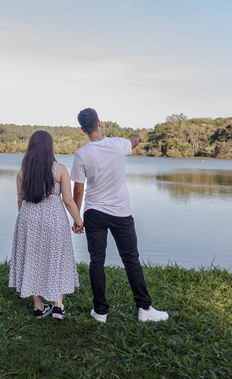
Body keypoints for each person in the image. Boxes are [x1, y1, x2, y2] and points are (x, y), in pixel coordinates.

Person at [71, 108, 169, 323]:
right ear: (99, 122)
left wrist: (77, 219)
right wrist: (139, 136)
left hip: (94, 212)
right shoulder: (117, 144)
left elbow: (78, 191)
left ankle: (100, 312)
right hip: (121, 213)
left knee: (96, 261)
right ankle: (145, 309)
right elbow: (132, 142)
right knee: (131, 260)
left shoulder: (82, 154)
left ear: (82, 129)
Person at [8, 130, 84, 319]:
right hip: (54, 220)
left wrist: (25, 220)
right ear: (50, 147)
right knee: (58, 257)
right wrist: (79, 221)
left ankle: (38, 306)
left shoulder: (23, 170)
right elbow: (68, 200)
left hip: (28, 218)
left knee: (32, 259)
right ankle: (58, 306)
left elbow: (20, 199)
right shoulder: (59, 169)